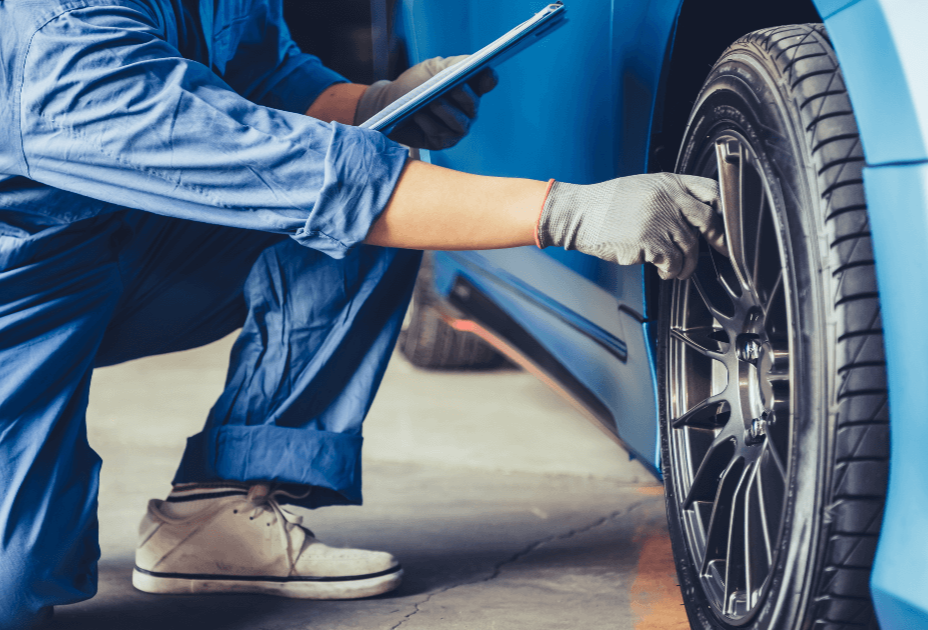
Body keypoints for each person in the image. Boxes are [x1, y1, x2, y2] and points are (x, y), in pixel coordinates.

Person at [0, 1, 725, 627]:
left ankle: (221, 510)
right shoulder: (56, 32)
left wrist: (372, 104)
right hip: (23, 277)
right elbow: (298, 175)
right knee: (17, 586)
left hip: (115, 237)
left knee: (371, 169)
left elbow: (258, 80)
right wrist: (564, 210)